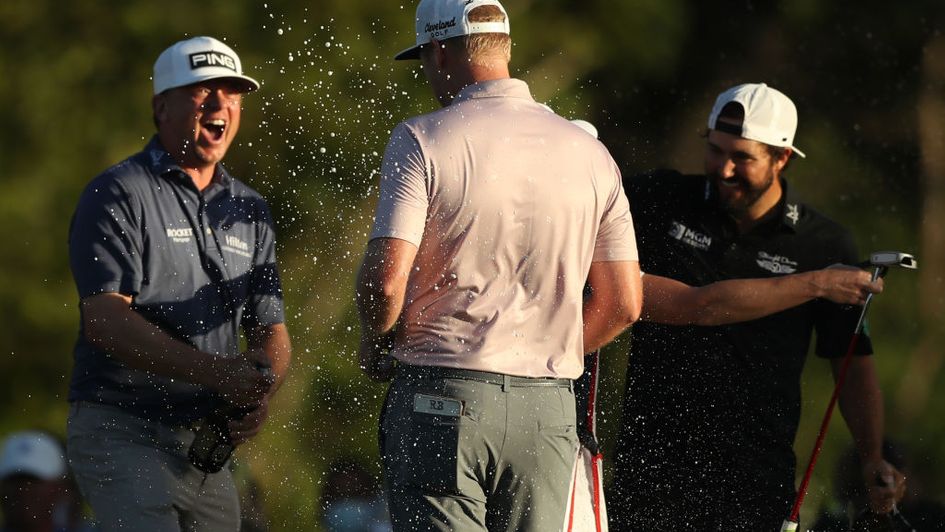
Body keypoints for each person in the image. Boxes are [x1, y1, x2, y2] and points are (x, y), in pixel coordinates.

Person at [355, 0, 642, 529]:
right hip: (548, 412)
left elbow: (385, 283)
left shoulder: (422, 138)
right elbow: (623, 303)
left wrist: (376, 339)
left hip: (443, 395)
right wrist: (541, 352)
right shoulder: (592, 154)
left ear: (440, 53)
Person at [607, 82, 906, 531]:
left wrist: (872, 456)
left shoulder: (822, 244)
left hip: (752, 479)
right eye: (715, 150)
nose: (723, 169)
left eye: (742, 157)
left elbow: (852, 362)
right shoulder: (661, 200)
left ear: (782, 158)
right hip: (648, 467)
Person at [66, 36, 291, 531]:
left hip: (205, 446)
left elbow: (271, 330)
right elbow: (105, 321)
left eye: (231, 94)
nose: (219, 105)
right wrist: (218, 374)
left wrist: (258, 391)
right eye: (201, 91)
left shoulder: (250, 209)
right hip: (122, 426)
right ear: (160, 106)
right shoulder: (119, 192)